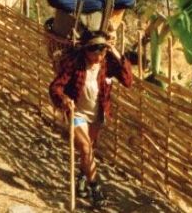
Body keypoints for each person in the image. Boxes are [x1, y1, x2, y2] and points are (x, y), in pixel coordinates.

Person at [49, 31, 132, 206]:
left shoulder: (107, 64)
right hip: (77, 113)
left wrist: (115, 51)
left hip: (97, 115)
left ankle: (81, 179)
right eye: (94, 53)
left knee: (88, 152)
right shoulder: (75, 64)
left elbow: (127, 80)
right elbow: (55, 87)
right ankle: (95, 188)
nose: (98, 57)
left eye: (102, 53)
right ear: (86, 50)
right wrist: (64, 99)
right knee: (86, 148)